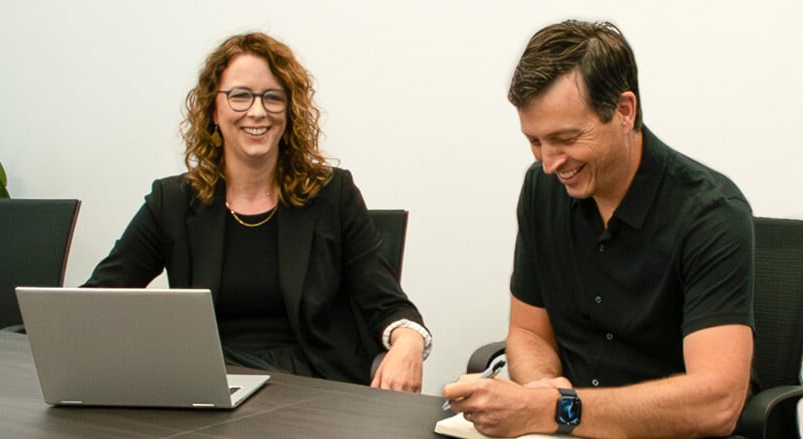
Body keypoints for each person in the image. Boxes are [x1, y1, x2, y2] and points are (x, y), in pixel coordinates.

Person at [443, 20, 754, 438]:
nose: (550, 162)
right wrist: (539, 389)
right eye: (534, 141)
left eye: (566, 138)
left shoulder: (711, 215)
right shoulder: (541, 189)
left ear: (624, 111)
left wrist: (557, 409)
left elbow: (717, 403)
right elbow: (528, 333)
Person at [84, 32, 431, 393]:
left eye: (273, 98)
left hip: (311, 388)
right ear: (213, 110)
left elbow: (386, 301)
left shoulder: (332, 194)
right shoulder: (171, 202)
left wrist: (409, 341)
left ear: (290, 111)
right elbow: (99, 298)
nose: (257, 111)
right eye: (240, 96)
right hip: (212, 385)